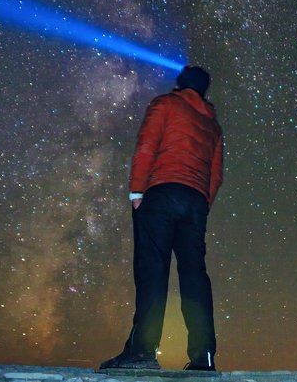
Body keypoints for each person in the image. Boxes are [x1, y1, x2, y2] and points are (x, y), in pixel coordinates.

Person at [100, 66, 223, 371]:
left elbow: (147, 146)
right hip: (195, 200)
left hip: (162, 192)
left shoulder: (165, 103)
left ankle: (142, 352)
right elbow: (217, 174)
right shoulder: (213, 125)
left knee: (152, 271)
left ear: (181, 83)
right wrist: (202, 202)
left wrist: (137, 191)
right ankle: (203, 356)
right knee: (194, 276)